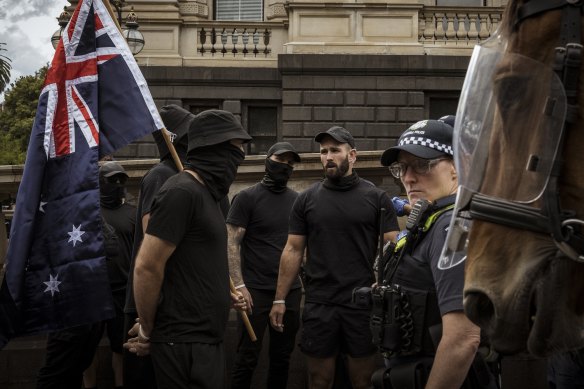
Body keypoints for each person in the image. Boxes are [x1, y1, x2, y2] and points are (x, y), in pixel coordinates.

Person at [126, 109, 251, 388]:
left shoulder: (206, 195)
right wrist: (147, 330)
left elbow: (195, 262)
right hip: (181, 342)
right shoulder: (180, 192)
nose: (239, 159)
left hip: (206, 339)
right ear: (213, 149)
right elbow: (147, 266)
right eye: (235, 151)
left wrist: (221, 293)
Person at [269, 126, 400, 389]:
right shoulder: (306, 199)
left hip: (362, 304)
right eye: (323, 151)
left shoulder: (377, 197)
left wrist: (382, 285)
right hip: (320, 303)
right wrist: (280, 298)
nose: (328, 156)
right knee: (319, 380)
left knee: (363, 381)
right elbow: (293, 249)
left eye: (335, 150)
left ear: (352, 155)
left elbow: (392, 247)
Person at [377, 119, 496, 389]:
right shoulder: (430, 222)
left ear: (457, 168)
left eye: (423, 164)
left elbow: (463, 338)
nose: (408, 177)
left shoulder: (454, 229)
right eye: (403, 167)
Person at [122, 104, 192, 389]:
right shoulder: (161, 176)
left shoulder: (182, 175)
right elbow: (155, 243)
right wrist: (147, 315)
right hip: (149, 302)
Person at [228, 141, 302, 389]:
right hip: (254, 293)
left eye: (291, 163)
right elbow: (231, 243)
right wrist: (239, 285)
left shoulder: (298, 201)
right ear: (268, 160)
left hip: (289, 292)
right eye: (281, 161)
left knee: (282, 359)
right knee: (246, 357)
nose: (286, 166)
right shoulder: (246, 198)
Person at [82, 161, 136, 389]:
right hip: (92, 291)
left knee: (121, 346)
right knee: (85, 349)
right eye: (111, 180)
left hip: (122, 291)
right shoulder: (87, 213)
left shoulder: (133, 214)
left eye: (121, 180)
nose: (117, 184)